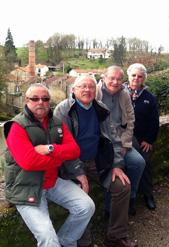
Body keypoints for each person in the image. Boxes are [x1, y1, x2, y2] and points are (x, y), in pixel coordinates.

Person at [3, 83, 95, 247]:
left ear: (49, 102)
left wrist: (50, 148)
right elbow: (29, 162)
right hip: (26, 186)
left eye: (45, 99)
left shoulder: (57, 123)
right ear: (27, 101)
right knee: (47, 237)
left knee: (86, 206)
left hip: (52, 181)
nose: (40, 102)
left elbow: (74, 150)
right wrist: (59, 158)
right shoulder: (16, 127)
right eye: (35, 98)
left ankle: (66, 241)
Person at [54, 75, 138, 247]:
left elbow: (113, 139)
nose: (87, 90)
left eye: (91, 87)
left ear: (96, 90)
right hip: (71, 164)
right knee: (82, 198)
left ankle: (116, 236)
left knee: (122, 186)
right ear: (73, 90)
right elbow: (61, 147)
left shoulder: (101, 109)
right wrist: (78, 172)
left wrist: (116, 165)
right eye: (82, 86)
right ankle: (84, 242)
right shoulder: (63, 111)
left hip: (97, 162)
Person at [96, 65, 146, 216]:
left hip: (120, 140)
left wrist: (125, 143)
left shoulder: (124, 95)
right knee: (111, 168)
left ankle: (129, 199)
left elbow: (130, 120)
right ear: (104, 78)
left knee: (138, 162)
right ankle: (109, 208)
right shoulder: (95, 93)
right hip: (102, 142)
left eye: (119, 79)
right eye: (112, 78)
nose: (115, 82)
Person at [125, 63, 160, 210]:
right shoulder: (120, 93)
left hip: (141, 140)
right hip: (124, 139)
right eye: (133, 75)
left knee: (145, 165)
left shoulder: (149, 97)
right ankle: (129, 199)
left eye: (140, 76)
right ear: (128, 76)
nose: (136, 79)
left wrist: (149, 140)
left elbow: (154, 121)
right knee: (125, 167)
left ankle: (147, 195)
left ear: (144, 78)